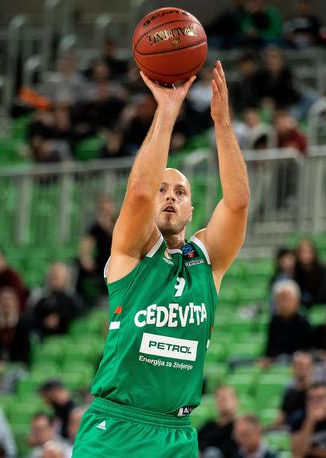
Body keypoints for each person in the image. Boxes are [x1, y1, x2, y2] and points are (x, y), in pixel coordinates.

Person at [72, 61, 249, 458]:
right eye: (163, 189)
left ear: (191, 209)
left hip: (176, 433)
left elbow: (237, 203)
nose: (170, 195)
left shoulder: (207, 260)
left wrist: (222, 124)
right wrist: (167, 111)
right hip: (114, 428)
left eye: (180, 192)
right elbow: (137, 193)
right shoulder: (131, 252)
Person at [76, 194, 116, 307]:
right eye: (103, 207)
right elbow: (85, 249)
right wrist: (86, 259)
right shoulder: (95, 228)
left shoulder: (118, 224)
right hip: (102, 266)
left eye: (108, 206)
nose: (106, 209)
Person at [31, 263, 82, 339]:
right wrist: (44, 321)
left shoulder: (73, 300)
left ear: (65, 279)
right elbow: (33, 317)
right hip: (42, 338)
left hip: (64, 338)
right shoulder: (42, 299)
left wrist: (59, 320)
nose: (52, 279)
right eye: (51, 276)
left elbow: (77, 320)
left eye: (56, 277)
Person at [264, 280, 312, 359]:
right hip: (276, 363)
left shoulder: (303, 322)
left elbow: (306, 350)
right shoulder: (274, 321)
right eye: (280, 299)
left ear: (297, 301)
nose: (283, 303)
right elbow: (270, 349)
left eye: (287, 299)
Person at [293, 239, 326, 307]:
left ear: (314, 253)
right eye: (302, 252)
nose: (305, 255)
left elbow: (324, 295)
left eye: (308, 252)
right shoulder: (296, 272)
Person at [198, 385, 238, 458]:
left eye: (224, 399)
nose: (221, 402)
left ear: (235, 401)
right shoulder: (208, 426)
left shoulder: (239, 427)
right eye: (218, 399)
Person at [277, 352, 314, 426]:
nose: (302, 370)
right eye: (299, 366)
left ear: (311, 368)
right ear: (292, 368)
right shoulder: (289, 392)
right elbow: (281, 417)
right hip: (290, 430)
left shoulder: (317, 393)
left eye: (305, 366)